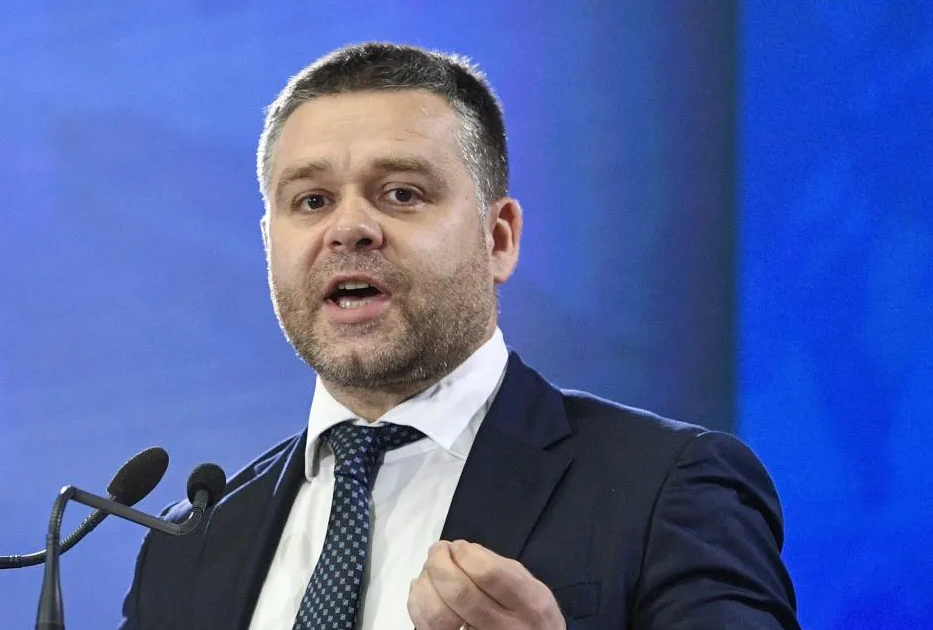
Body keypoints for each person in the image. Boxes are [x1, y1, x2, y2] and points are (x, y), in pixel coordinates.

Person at [119, 42, 798, 630]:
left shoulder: (667, 486)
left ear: (498, 239)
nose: (349, 229)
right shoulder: (189, 544)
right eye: (312, 201)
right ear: (271, 244)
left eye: (402, 193)